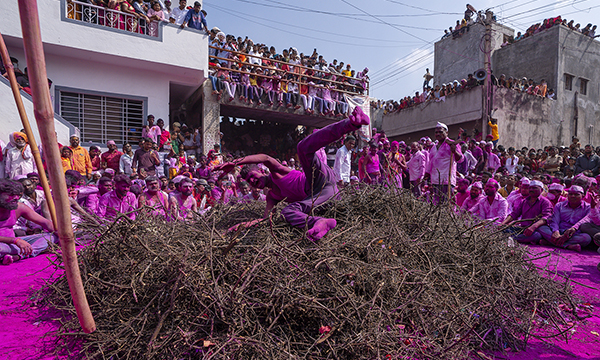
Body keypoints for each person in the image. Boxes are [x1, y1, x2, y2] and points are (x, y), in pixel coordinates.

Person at [216, 107, 370, 241]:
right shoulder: (272, 197)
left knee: (302, 148)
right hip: (323, 198)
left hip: (319, 180)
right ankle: (320, 222)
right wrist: (241, 226)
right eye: (249, 181)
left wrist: (236, 162)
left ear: (260, 171)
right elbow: (265, 220)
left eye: (253, 176)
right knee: (288, 211)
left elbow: (265, 158)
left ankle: (351, 123)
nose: (252, 181)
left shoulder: (276, 172)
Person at [0, 179, 55, 265]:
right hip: (5, 245)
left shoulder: (19, 207)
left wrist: (62, 233)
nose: (16, 198)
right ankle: (19, 253)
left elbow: (46, 223)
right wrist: (15, 240)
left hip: (15, 245)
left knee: (51, 237)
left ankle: (18, 256)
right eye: (11, 195)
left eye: (17, 195)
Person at [538, 185, 591, 252]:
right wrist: (555, 231)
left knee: (587, 238)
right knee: (541, 228)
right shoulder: (560, 205)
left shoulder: (588, 207)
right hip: (559, 231)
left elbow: (585, 220)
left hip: (574, 233)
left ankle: (550, 242)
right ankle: (567, 245)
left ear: (583, 196)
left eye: (576, 194)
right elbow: (555, 220)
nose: (573, 196)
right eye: (570, 194)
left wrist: (573, 229)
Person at [424, 122, 463, 204]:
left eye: (440, 132)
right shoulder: (434, 147)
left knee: (445, 204)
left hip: (446, 180)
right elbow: (430, 163)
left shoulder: (451, 143)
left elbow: (460, 159)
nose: (438, 134)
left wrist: (454, 151)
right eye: (436, 132)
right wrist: (425, 177)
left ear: (447, 133)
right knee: (436, 204)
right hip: (435, 180)